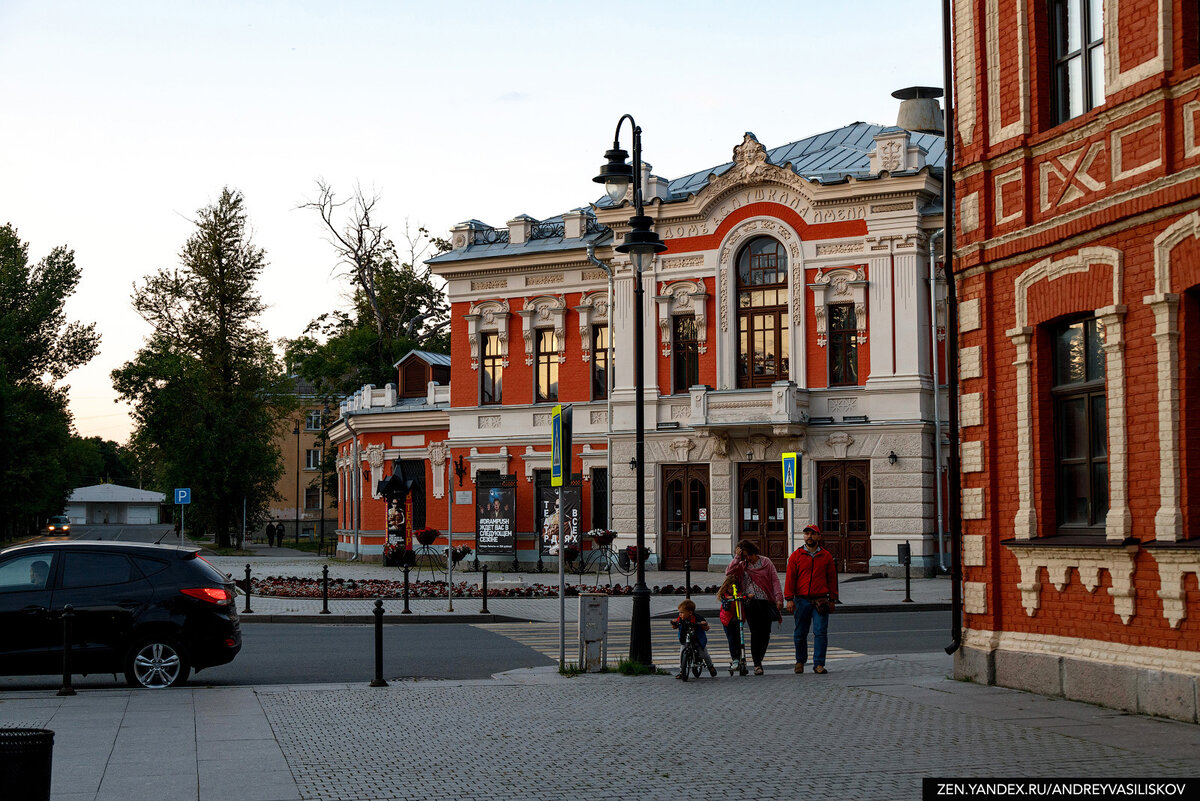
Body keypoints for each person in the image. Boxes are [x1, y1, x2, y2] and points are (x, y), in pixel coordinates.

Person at [784, 524, 839, 675]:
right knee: (800, 633)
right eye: (807, 534)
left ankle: (819, 664)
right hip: (801, 600)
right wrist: (789, 598)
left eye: (813, 534)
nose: (809, 536)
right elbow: (790, 578)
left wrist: (833, 599)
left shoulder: (826, 556)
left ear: (819, 537)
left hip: (820, 600)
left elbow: (832, 579)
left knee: (820, 632)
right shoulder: (796, 555)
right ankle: (800, 661)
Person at [724, 539, 784, 675]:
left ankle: (759, 658)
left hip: (766, 601)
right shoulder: (742, 564)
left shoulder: (766, 562)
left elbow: (774, 580)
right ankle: (757, 663)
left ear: (754, 552)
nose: (748, 559)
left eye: (749, 555)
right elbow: (729, 572)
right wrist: (737, 558)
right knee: (756, 632)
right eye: (745, 556)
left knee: (765, 633)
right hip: (750, 603)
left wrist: (779, 598)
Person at [669, 599, 716, 679]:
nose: (680, 614)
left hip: (698, 640)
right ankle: (682, 671)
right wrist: (674, 623)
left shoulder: (697, 618)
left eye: (682, 612)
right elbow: (675, 626)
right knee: (681, 653)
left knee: (704, 654)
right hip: (685, 640)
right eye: (679, 612)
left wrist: (703, 624)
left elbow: (706, 628)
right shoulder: (680, 619)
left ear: (690, 612)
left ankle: (710, 666)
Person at [716, 575, 745, 673]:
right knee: (731, 639)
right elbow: (726, 605)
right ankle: (735, 658)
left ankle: (741, 657)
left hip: (738, 619)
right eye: (731, 588)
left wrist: (746, 597)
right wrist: (730, 599)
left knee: (739, 639)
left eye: (735, 588)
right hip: (727, 620)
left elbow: (744, 597)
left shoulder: (739, 594)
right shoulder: (725, 596)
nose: (733, 590)